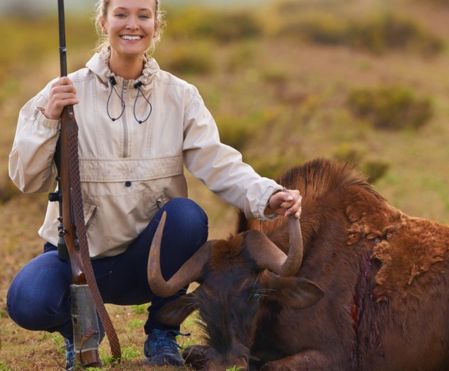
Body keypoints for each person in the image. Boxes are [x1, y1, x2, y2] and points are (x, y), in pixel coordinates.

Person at [6, 0, 302, 368]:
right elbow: (25, 179)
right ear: (103, 21)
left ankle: (162, 335)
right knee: (27, 300)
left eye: (143, 15)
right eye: (121, 14)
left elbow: (218, 161)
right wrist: (49, 119)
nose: (133, 25)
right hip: (78, 259)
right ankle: (80, 326)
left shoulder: (181, 96)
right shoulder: (62, 93)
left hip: (149, 265)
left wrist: (267, 195)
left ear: (156, 25)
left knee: (188, 217)